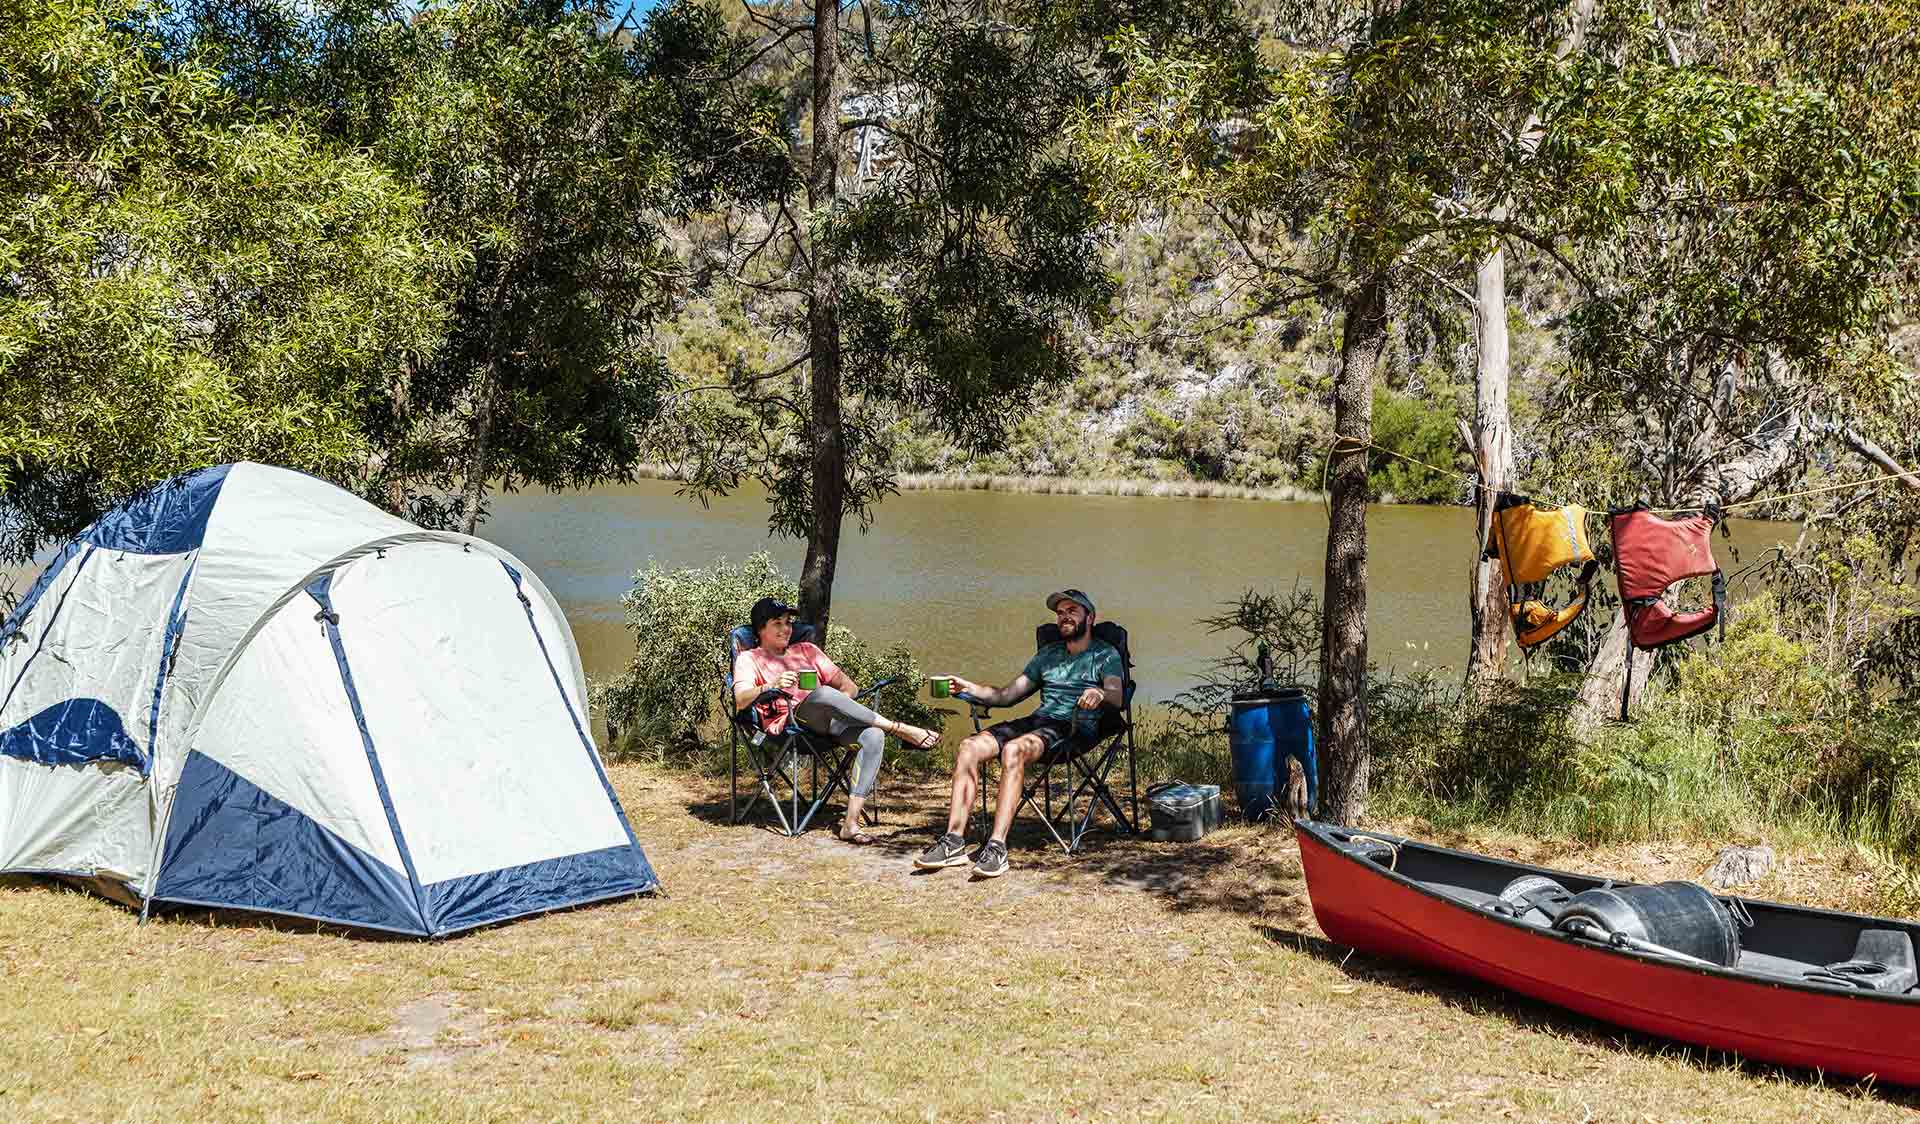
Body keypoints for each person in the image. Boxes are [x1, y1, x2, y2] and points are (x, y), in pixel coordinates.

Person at [913, 588, 1122, 878]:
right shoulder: (1048, 655)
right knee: (969, 747)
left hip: (1075, 728)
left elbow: (1117, 694)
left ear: (1090, 617)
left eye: (1072, 611)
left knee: (1014, 749)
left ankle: (997, 848)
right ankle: (954, 842)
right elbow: (1006, 696)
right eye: (1060, 612)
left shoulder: (1105, 654)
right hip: (1039, 721)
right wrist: (969, 689)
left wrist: (1099, 693)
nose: (1064, 617)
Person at [732, 597, 939, 844]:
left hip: (829, 724)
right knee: (822, 693)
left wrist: (837, 707)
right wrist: (771, 685)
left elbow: (849, 687)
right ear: (760, 629)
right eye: (777, 623)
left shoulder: (807, 651)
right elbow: (741, 700)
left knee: (873, 736)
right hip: (791, 727)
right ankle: (901, 729)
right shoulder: (750, 658)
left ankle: (850, 824)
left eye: (788, 623)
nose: (786, 629)